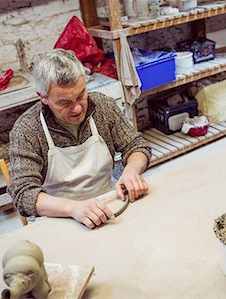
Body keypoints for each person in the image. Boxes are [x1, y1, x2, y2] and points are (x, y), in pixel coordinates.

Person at [8, 49, 151, 229]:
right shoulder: (27, 130)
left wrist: (131, 172)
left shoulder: (103, 107)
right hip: (59, 217)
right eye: (64, 102)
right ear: (43, 97)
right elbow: (23, 194)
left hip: (109, 201)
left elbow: (136, 145)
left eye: (81, 95)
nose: (77, 109)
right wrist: (73, 208)